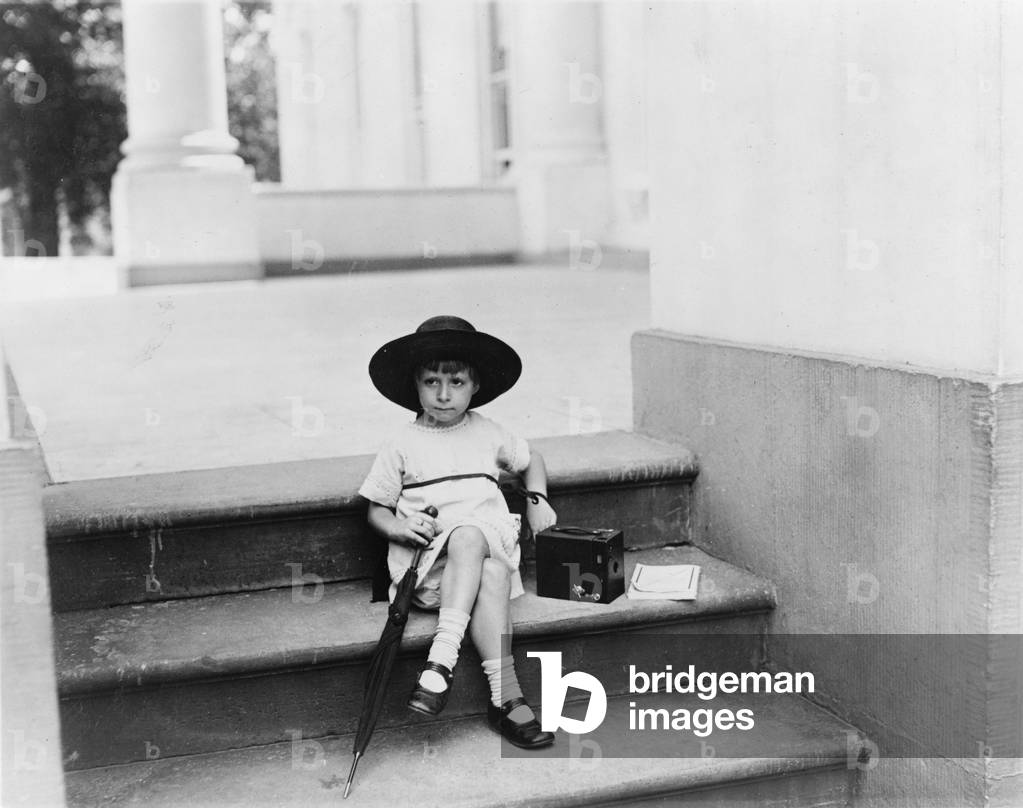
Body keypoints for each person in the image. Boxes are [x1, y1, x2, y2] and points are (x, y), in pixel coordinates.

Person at [358, 315, 558, 749]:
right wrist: (399, 523)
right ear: (415, 385)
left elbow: (532, 460)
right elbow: (376, 509)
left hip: (485, 557)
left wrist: (537, 498)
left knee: (486, 560)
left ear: (475, 385)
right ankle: (496, 691)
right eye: (431, 382)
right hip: (432, 573)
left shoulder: (487, 432)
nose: (444, 394)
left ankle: (451, 670)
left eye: (456, 382)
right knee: (476, 550)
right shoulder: (402, 442)